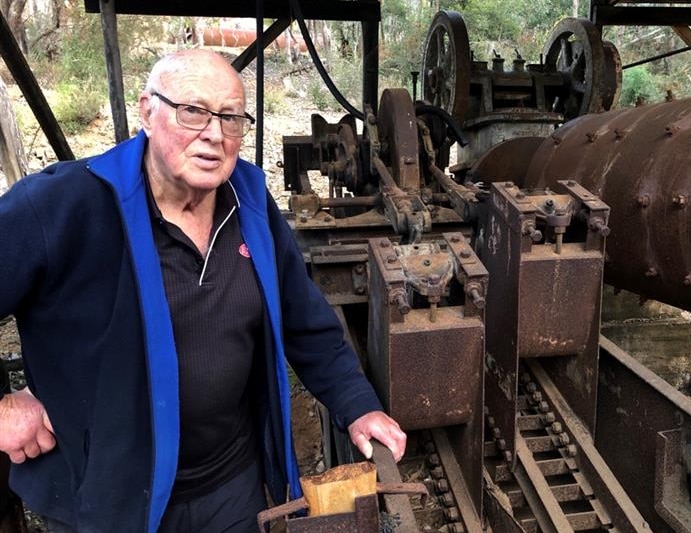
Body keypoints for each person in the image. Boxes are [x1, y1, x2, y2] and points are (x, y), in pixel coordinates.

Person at [0, 49, 406, 533]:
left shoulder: (250, 201)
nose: (214, 134)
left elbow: (305, 322)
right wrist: (3, 408)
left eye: (231, 118)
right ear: (148, 111)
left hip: (230, 490)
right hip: (105, 503)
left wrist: (357, 404)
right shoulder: (64, 206)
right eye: (193, 111)